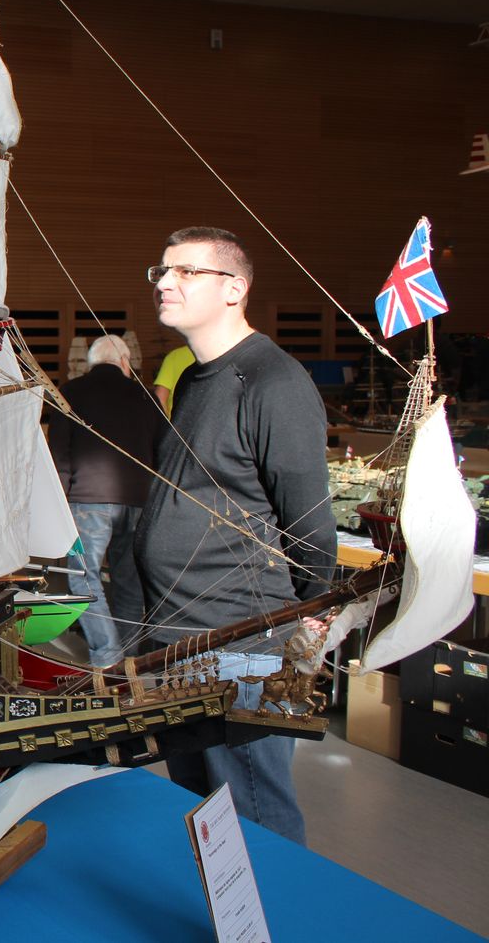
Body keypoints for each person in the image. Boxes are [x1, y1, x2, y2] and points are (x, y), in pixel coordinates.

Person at [133, 227, 335, 845]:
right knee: (202, 814)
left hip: (245, 638)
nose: (165, 283)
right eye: (162, 271)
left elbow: (310, 524)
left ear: (234, 288)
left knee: (254, 814)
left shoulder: (274, 382)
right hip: (180, 635)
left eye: (186, 271)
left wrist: (298, 618)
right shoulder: (197, 379)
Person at [45, 334, 164, 668]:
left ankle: (107, 655)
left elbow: (60, 452)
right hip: (138, 501)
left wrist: (61, 500)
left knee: (83, 577)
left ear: (91, 362)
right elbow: (163, 451)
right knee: (129, 581)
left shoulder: (71, 392)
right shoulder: (146, 397)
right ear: (125, 361)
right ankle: (130, 660)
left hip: (87, 501)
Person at [151, 344, 194, 416]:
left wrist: (167, 422)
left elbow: (160, 399)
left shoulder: (175, 356)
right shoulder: (215, 354)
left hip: (177, 421)